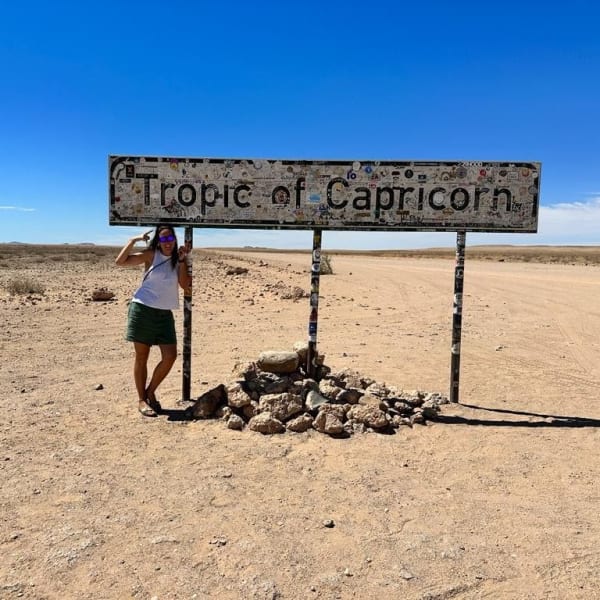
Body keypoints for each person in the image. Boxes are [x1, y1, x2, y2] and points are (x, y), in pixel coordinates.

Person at [115, 225, 192, 416]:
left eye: (170, 239)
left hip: (164, 314)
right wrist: (133, 241)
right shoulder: (151, 254)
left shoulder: (178, 258)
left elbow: (185, 286)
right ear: (158, 241)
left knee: (170, 356)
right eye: (163, 240)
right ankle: (142, 399)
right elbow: (120, 261)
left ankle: (150, 391)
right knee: (142, 357)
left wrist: (183, 260)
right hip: (143, 309)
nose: (168, 243)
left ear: (175, 239)